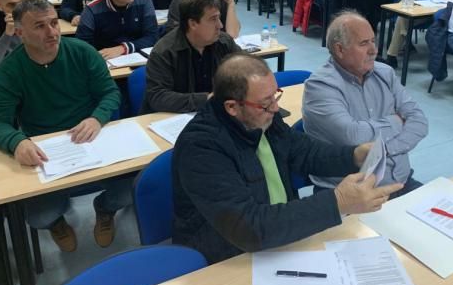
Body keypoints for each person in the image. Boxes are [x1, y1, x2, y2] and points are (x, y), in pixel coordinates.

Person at [172, 53, 404, 264]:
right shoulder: (201, 147)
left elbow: (303, 151)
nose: (275, 108)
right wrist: (338, 202)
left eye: (275, 96)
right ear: (232, 107)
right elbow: (249, 227)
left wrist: (353, 155)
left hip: (280, 237)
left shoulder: (262, 117)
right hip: (228, 255)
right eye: (266, 103)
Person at [0, 0, 125, 252]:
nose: (51, 32)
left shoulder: (82, 52)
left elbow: (110, 93)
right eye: (39, 26)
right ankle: (58, 223)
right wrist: (17, 141)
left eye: (53, 23)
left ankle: (104, 210)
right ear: (19, 32)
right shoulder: (11, 70)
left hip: (92, 139)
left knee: (131, 189)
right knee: (38, 216)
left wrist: (96, 117)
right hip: (48, 151)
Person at [304, 11, 427, 193]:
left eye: (373, 41)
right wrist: (396, 121)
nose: (374, 50)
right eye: (363, 43)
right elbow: (352, 135)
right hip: (349, 193)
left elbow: (419, 122)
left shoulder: (385, 73)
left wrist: (386, 150)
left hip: (399, 180)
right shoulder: (320, 87)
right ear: (339, 49)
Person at [142, 0, 240, 114]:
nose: (220, 25)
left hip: (215, 114)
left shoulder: (224, 42)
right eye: (213, 19)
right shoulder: (164, 52)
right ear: (193, 23)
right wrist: (205, 99)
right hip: (173, 118)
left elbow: (246, 70)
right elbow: (158, 96)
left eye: (219, 18)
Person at [76, 0, 158, 60]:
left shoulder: (144, 0)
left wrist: (123, 48)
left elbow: (152, 37)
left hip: (138, 58)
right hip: (106, 61)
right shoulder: (92, 9)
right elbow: (83, 45)